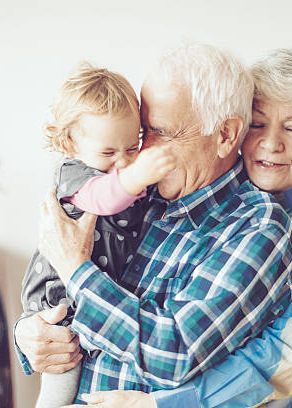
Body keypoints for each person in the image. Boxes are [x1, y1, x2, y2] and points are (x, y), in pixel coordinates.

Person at [77, 50, 292, 407]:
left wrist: (161, 404)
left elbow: (283, 354)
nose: (270, 143)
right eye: (257, 124)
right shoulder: (175, 196)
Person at [16, 44, 292, 403]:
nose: (143, 153)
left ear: (225, 135)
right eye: (141, 134)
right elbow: (50, 276)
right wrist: (29, 333)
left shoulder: (257, 227)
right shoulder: (135, 194)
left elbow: (175, 352)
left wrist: (76, 269)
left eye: (161, 132)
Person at [20, 61, 176, 408]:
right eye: (108, 152)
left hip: (96, 303)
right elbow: (103, 198)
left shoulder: (126, 177)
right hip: (62, 306)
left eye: (131, 147)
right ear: (70, 142)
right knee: (60, 386)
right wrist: (139, 174)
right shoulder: (75, 176)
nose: (121, 162)